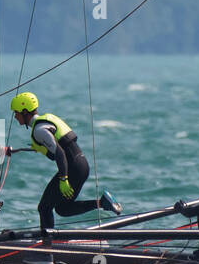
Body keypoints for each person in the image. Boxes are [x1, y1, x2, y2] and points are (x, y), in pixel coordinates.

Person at [7, 91, 120, 229]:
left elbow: (60, 153)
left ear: (25, 112)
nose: (15, 116)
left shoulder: (39, 130)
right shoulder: (47, 119)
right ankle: (103, 203)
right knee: (63, 209)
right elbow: (61, 147)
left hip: (72, 168)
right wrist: (43, 149)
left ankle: (47, 244)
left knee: (44, 207)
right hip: (81, 165)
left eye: (16, 112)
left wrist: (63, 179)